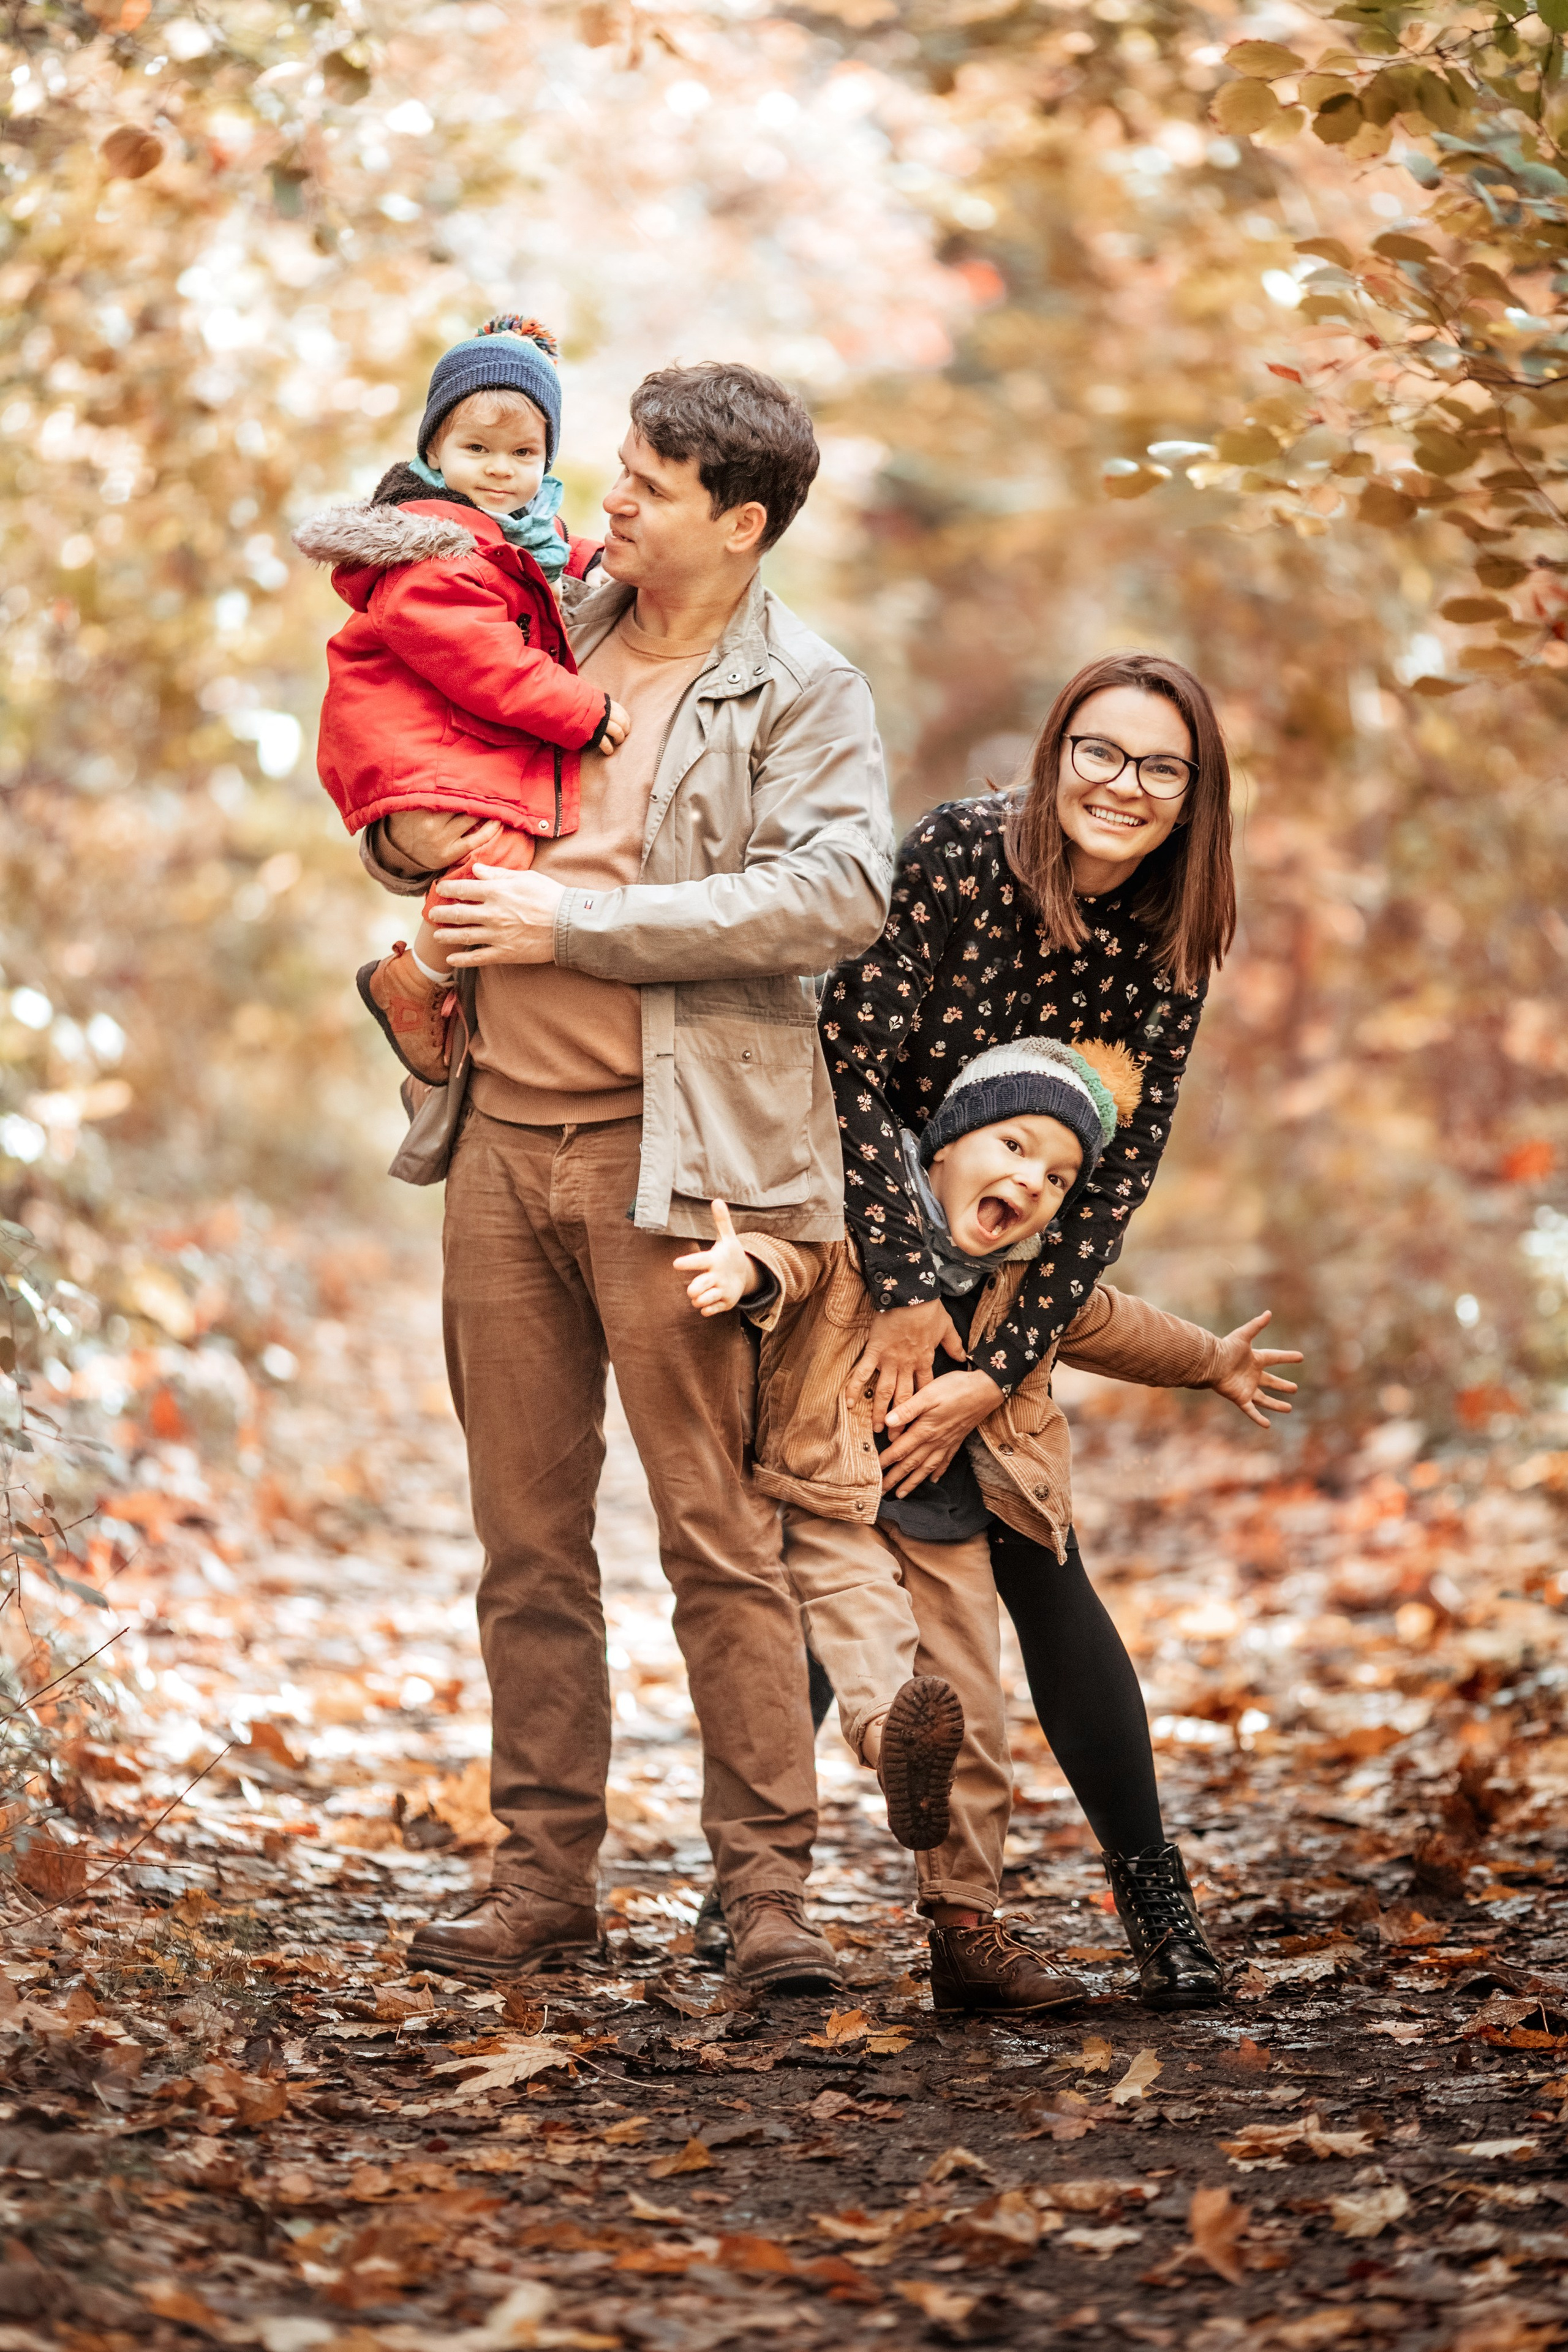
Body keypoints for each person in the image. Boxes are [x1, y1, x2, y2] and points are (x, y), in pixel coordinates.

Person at [354, 363, 895, 1992]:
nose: (612, 502)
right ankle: (541, 1884)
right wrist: (416, 857)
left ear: (739, 523)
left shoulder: (803, 685)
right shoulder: (546, 618)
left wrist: (571, 928)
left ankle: (772, 1907)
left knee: (715, 1538)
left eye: (650, 486)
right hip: (498, 1143)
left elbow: (839, 893)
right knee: (524, 1546)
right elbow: (403, 749)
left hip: (687, 1169)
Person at [676, 1036, 1299, 2014]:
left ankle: (966, 1932)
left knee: (971, 1720)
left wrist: (1213, 1358)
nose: (1032, 1181)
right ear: (941, 1148)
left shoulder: (1030, 1286)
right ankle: (890, 1747)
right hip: (836, 1504)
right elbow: (789, 1260)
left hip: (957, 1524)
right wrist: (742, 1272)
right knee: (870, 1651)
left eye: (1056, 1175)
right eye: (1011, 1146)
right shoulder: (859, 1233)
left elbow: (1117, 1324)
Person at [820, 650, 1240, 2008]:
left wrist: (991, 1372)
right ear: (1058, 751)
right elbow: (845, 1075)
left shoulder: (1173, 940)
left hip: (1012, 1284)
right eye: (1100, 753)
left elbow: (1110, 1185)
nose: (1122, 786)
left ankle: (1152, 1909)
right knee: (830, 1550)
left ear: (1192, 798)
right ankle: (744, 1893)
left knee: (1035, 1565)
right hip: (862, 1240)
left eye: (1158, 768)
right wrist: (902, 1296)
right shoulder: (955, 857)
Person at [294, 317, 630, 1084]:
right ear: (433, 455)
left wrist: (605, 565)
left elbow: (546, 558)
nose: (501, 471)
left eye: (523, 454)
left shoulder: (509, 530)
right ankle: (414, 983)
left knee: (505, 857)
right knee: (499, 858)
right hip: (413, 753)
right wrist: (586, 711)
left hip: (442, 751)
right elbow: (486, 663)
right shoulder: (432, 552)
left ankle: (441, 987)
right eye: (476, 450)